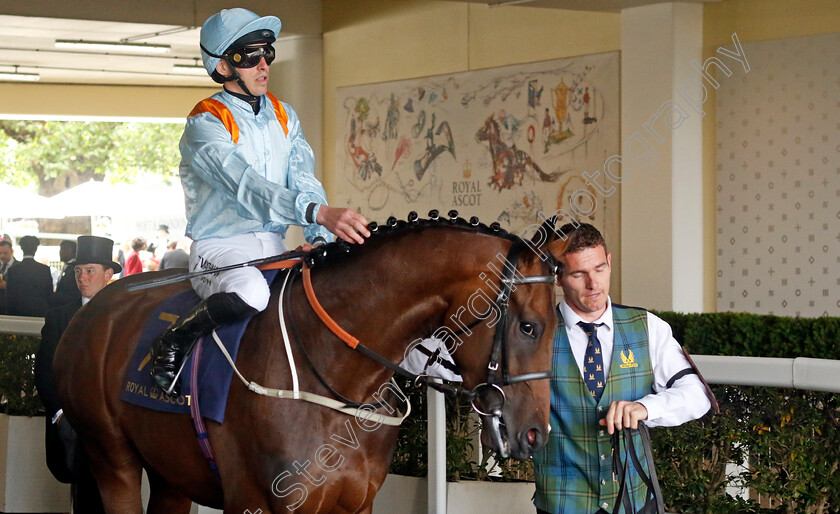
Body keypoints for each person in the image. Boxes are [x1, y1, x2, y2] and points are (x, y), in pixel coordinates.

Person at [149, 7, 370, 396]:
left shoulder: (285, 115)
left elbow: (305, 180)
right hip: (218, 249)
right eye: (249, 56)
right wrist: (315, 212)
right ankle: (174, 341)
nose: (263, 64)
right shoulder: (205, 123)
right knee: (252, 293)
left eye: (267, 52)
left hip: (274, 246)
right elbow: (245, 186)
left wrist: (319, 238)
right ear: (222, 66)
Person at [533, 223, 711, 514]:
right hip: (562, 505)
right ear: (557, 276)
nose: (594, 284)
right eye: (579, 274)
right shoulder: (534, 336)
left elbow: (698, 396)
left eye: (600, 269)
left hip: (636, 503)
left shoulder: (647, 327)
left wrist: (645, 407)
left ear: (610, 263)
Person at [34, 235, 118, 514]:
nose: (82, 278)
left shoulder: (124, 317)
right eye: (78, 271)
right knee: (84, 494)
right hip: (73, 420)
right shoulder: (58, 317)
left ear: (108, 274)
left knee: (117, 493)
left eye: (90, 271)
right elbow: (45, 368)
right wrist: (59, 413)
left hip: (115, 423)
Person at [5, 235, 53, 317]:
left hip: (18, 313)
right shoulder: (45, 270)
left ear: (21, 248)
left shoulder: (13, 270)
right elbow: (49, 294)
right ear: (36, 249)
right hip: (40, 313)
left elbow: (10, 297)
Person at [52, 239, 80, 306]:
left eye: (63, 249)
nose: (60, 252)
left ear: (72, 252)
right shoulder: (67, 267)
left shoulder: (75, 269)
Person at [0, 238, 17, 314]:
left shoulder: (18, 267)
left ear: (12, 252)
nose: (2, 256)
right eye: (0, 253)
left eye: (5, 253)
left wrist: (7, 286)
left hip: (11, 308)